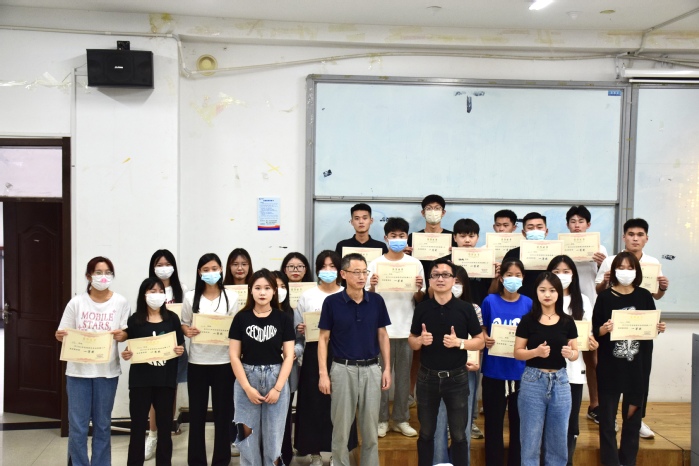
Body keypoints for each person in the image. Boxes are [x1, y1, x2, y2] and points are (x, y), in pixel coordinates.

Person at [594, 218, 669, 438]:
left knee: (638, 386)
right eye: (631, 234)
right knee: (610, 390)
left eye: (640, 234)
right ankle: (610, 422)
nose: (635, 238)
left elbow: (653, 297)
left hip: (638, 342)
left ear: (646, 238)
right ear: (624, 236)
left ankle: (637, 420)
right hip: (613, 343)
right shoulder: (610, 261)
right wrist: (606, 281)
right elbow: (600, 292)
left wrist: (662, 290)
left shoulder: (653, 263)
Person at [318, 253, 392, 466]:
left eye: (364, 272)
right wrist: (323, 374)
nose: (361, 277)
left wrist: (387, 369)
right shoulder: (332, 302)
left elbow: (382, 335)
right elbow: (323, 339)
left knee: (370, 430)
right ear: (343, 274)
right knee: (341, 430)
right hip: (342, 369)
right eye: (356, 272)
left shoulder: (376, 301)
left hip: (372, 368)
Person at [55, 256, 130, 466]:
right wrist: (60, 336)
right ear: (89, 276)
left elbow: (126, 332)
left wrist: (122, 335)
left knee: (103, 425)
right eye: (98, 272)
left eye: (107, 272)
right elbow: (61, 333)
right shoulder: (76, 303)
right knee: (78, 427)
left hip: (107, 372)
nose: (103, 277)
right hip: (78, 373)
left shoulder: (121, 302)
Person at [409, 259, 484, 466]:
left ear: (453, 280)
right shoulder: (422, 308)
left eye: (445, 275)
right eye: (435, 275)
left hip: (457, 378)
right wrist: (420, 340)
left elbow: (480, 341)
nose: (440, 279)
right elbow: (412, 341)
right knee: (426, 433)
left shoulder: (466, 309)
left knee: (459, 434)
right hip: (427, 378)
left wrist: (460, 343)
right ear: (430, 280)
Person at [294, 251, 358, 465]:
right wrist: (300, 328)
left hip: (342, 352)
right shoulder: (308, 295)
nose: (328, 270)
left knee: (340, 404)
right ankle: (314, 453)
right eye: (323, 266)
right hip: (314, 354)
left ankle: (336, 454)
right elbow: (297, 329)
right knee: (313, 403)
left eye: (332, 266)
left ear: (340, 271)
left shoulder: (348, 293)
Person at [229, 269, 296, 465]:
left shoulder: (283, 318)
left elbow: (289, 356)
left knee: (273, 439)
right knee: (248, 438)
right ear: (250, 290)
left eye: (267, 288)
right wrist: (247, 388)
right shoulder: (241, 318)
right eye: (257, 288)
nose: (262, 292)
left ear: (274, 291)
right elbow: (234, 356)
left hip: (276, 377)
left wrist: (277, 388)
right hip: (247, 377)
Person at [367, 217, 425, 438]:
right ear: (386, 238)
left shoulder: (415, 264)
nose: (398, 239)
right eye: (393, 236)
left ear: (407, 238)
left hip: (406, 329)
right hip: (381, 330)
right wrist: (372, 286)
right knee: (380, 378)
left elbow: (420, 299)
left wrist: (418, 289)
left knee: (403, 378)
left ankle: (401, 419)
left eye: (401, 236)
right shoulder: (375, 264)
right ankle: (381, 419)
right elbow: (367, 298)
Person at [514, 272, 579, 466]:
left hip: (560, 381)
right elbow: (518, 352)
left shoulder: (567, 321)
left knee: (558, 439)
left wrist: (570, 353)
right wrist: (535, 352)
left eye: (552, 290)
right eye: (542, 290)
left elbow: (576, 353)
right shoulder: (528, 320)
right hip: (533, 381)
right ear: (536, 292)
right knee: (530, 439)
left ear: (559, 293)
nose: (547, 294)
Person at [181, 253, 239, 466]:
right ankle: (196, 461)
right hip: (197, 362)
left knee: (223, 415)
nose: (211, 273)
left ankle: (221, 460)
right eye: (206, 270)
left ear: (221, 270)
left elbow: (236, 327)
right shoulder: (190, 297)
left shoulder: (231, 297)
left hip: (224, 363)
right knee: (197, 415)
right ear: (199, 272)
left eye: (214, 269)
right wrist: (187, 330)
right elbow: (184, 322)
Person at [121, 277, 185, 466]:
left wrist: (179, 350)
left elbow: (179, 345)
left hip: (165, 381)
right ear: (144, 295)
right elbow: (130, 346)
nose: (157, 295)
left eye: (160, 291)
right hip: (140, 382)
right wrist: (127, 353)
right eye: (152, 291)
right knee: (138, 427)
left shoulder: (172, 318)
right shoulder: (135, 320)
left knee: (165, 429)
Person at [547, 255, 599, 466]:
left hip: (574, 372)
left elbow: (588, 333)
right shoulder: (543, 299)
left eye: (566, 272)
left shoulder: (583, 300)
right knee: (547, 421)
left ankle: (566, 461)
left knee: (570, 422)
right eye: (556, 272)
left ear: (574, 275)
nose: (561, 276)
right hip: (545, 370)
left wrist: (592, 342)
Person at [480, 258, 531, 466]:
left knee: (519, 424)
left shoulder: (529, 303)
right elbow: (482, 329)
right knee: (493, 424)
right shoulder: (489, 301)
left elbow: (533, 334)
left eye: (517, 275)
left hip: (521, 372)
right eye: (509, 275)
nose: (513, 279)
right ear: (501, 278)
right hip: (494, 371)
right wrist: (485, 337)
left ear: (523, 278)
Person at [433, 265, 484, 465]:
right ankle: (439, 461)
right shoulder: (432, 307)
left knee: (463, 423)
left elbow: (478, 340)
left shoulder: (474, 308)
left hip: (466, 370)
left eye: (459, 282)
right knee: (438, 421)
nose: (454, 285)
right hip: (438, 372)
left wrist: (475, 359)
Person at [564, 206, 608, 426]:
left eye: (581, 221)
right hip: (564, 306)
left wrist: (601, 263)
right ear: (567, 225)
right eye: (573, 221)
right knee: (565, 353)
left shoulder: (600, 248)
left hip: (590, 307)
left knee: (592, 357)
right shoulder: (561, 246)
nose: (577, 225)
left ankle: (595, 405)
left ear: (588, 225)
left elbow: (605, 282)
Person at [145, 249, 188, 459]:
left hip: (175, 349)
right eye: (159, 265)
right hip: (153, 349)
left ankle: (165, 434)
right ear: (153, 267)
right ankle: (152, 435)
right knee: (154, 395)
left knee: (170, 395)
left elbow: (187, 320)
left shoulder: (182, 290)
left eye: (167, 264)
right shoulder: (148, 289)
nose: (164, 268)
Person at [222, 247, 253, 457]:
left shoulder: (256, 287)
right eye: (235, 264)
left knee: (247, 398)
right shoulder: (221, 290)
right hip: (226, 352)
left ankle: (248, 438)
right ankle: (232, 438)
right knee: (229, 399)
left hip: (250, 351)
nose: (239, 268)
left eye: (243, 264)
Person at [272, 270, 300, 466]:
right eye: (276, 286)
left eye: (283, 286)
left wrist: (294, 351)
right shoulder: (259, 312)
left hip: (287, 372)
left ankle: (284, 454)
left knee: (284, 415)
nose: (280, 290)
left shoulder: (293, 313)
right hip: (263, 373)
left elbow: (301, 341)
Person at [500, 212, 550, 299]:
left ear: (546, 231)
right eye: (530, 228)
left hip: (547, 299)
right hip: (521, 300)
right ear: (523, 232)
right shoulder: (512, 254)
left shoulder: (556, 253)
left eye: (539, 227)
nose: (535, 231)